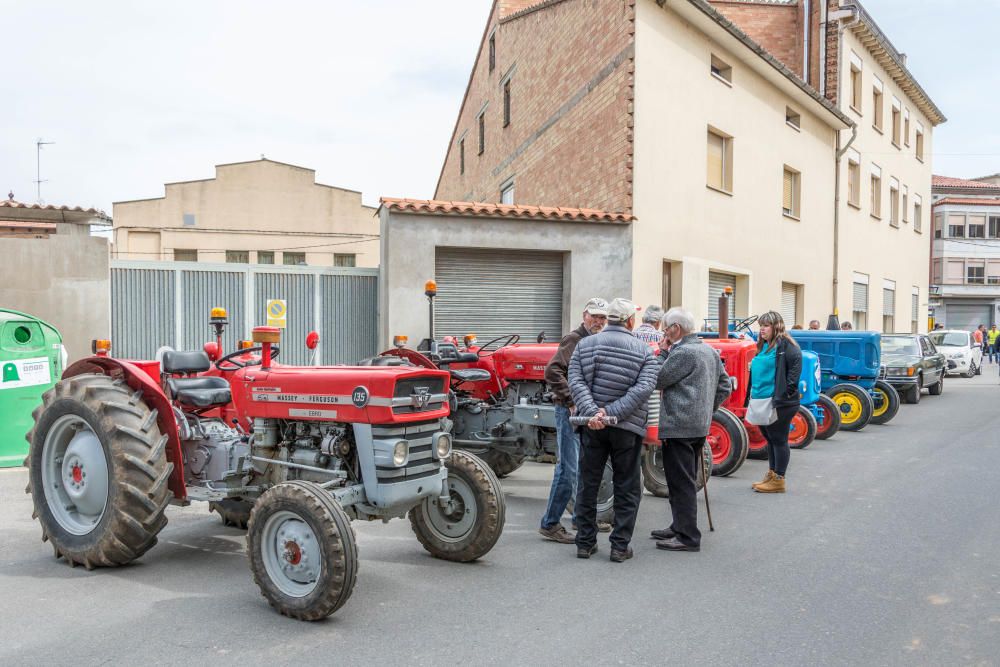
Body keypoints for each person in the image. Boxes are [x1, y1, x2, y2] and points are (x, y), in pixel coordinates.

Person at [568, 297, 658, 562]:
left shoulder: (584, 345)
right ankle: (619, 547)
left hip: (592, 426)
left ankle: (584, 543)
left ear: (609, 319)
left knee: (588, 483)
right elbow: (643, 389)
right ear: (630, 321)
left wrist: (593, 412)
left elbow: (575, 380)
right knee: (627, 486)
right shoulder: (644, 351)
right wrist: (611, 414)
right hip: (626, 428)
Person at [650, 308, 731, 553]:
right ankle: (679, 525)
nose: (664, 333)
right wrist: (707, 409)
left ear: (676, 328)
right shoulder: (708, 350)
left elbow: (656, 379)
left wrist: (662, 352)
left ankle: (687, 535)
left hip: (679, 426)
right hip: (698, 426)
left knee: (680, 481)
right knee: (682, 478)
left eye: (666, 328)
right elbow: (725, 386)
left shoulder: (682, 353)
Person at [539, 298, 609, 543]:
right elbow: (552, 370)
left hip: (584, 411)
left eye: (603, 317)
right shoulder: (574, 339)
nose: (599, 321)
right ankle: (550, 523)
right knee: (567, 469)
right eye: (595, 316)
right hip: (569, 411)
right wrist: (570, 401)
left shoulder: (594, 340)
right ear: (584, 315)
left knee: (581, 467)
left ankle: (582, 518)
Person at [750, 311, 802, 494]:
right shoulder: (763, 345)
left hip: (780, 403)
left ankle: (779, 479)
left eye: (766, 325)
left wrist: (781, 398)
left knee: (779, 439)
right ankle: (772, 474)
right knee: (770, 439)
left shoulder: (788, 347)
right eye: (761, 325)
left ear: (776, 327)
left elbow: (792, 379)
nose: (762, 329)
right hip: (761, 400)